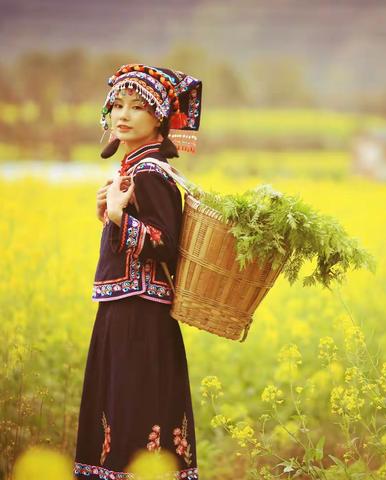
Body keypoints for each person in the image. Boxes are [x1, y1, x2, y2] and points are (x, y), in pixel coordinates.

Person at [73, 64, 202, 480]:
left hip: (139, 314)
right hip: (126, 308)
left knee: (134, 404)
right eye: (117, 105)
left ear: (160, 118)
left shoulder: (149, 172)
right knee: (122, 402)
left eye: (138, 107)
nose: (123, 115)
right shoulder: (135, 168)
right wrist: (109, 216)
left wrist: (116, 216)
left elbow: (166, 242)